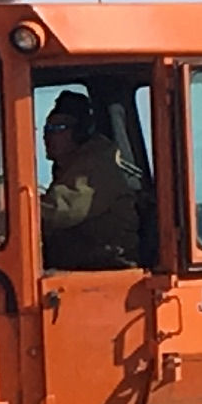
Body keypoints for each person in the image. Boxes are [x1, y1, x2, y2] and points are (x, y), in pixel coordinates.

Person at [39, 87, 148, 269]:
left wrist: (3, 219)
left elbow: (60, 212)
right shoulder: (69, 165)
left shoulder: (95, 165)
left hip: (111, 263)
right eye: (47, 128)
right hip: (88, 257)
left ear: (80, 132)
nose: (47, 135)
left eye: (58, 128)